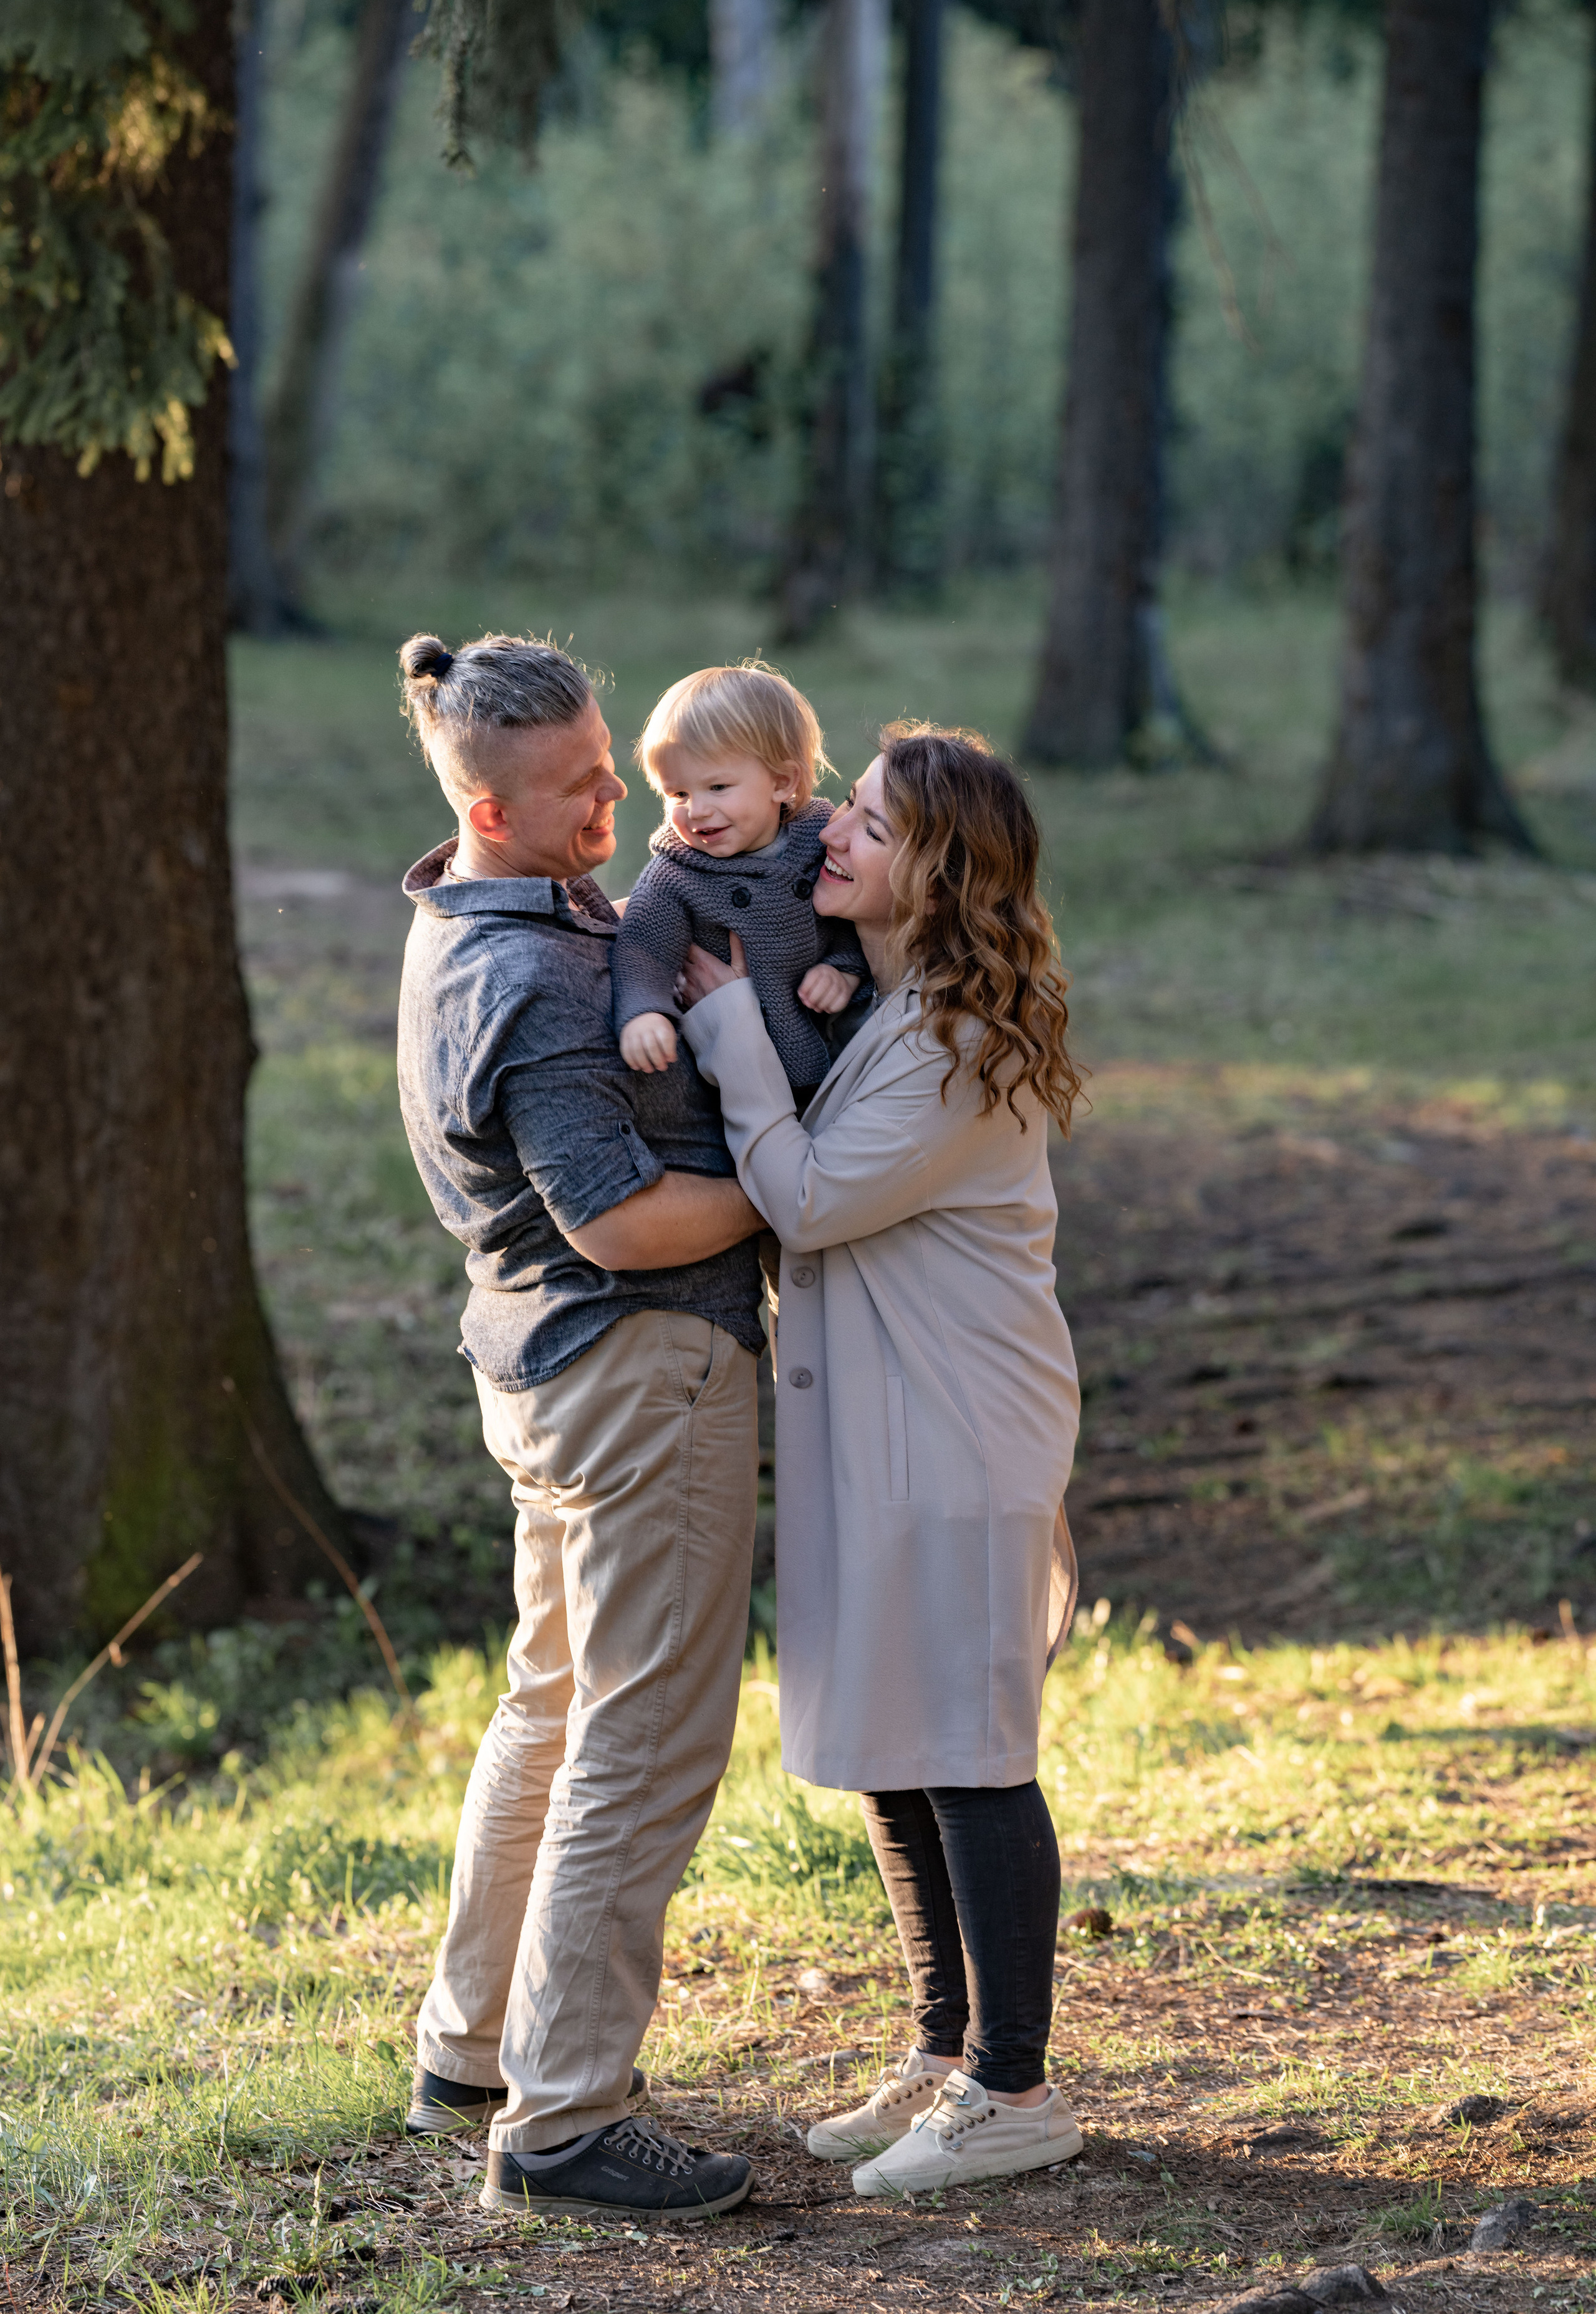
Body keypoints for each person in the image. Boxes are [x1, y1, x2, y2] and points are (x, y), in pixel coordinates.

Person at [677, 724, 1087, 2199]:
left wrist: (724, 1026)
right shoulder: (897, 1006)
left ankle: (1013, 2083)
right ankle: (937, 2046)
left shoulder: (964, 1043)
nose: (830, 836)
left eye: (864, 822)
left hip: (958, 1433)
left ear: (934, 870)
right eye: (841, 809)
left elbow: (803, 1195)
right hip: (882, 1424)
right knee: (894, 1751)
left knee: (967, 1749)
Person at [393, 630, 768, 2220]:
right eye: (575, 786)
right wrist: (800, 1192)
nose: (618, 795)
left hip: (532, 1368)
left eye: (611, 761)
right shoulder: (537, 975)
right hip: (634, 1369)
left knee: (548, 1706)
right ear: (489, 805)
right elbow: (615, 1219)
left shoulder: (462, 914)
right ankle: (563, 2120)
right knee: (642, 1735)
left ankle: (471, 2048)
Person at [612, 661, 867, 1110]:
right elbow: (642, 948)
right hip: (730, 1080)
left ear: (782, 782)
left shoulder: (819, 837)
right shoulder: (677, 873)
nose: (697, 811)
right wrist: (643, 1012)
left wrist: (844, 968)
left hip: (832, 1060)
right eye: (679, 794)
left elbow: (858, 913)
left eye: (717, 786)